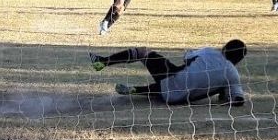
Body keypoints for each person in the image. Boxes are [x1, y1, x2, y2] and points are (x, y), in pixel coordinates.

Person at [88, 39, 248, 106]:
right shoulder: (233, 74)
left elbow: (186, 59)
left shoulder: (209, 52)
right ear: (238, 60)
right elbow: (238, 100)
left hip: (173, 80)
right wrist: (222, 91)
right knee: (178, 85)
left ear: (224, 48)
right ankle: (137, 90)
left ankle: (103, 61)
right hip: (180, 99)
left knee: (144, 52)